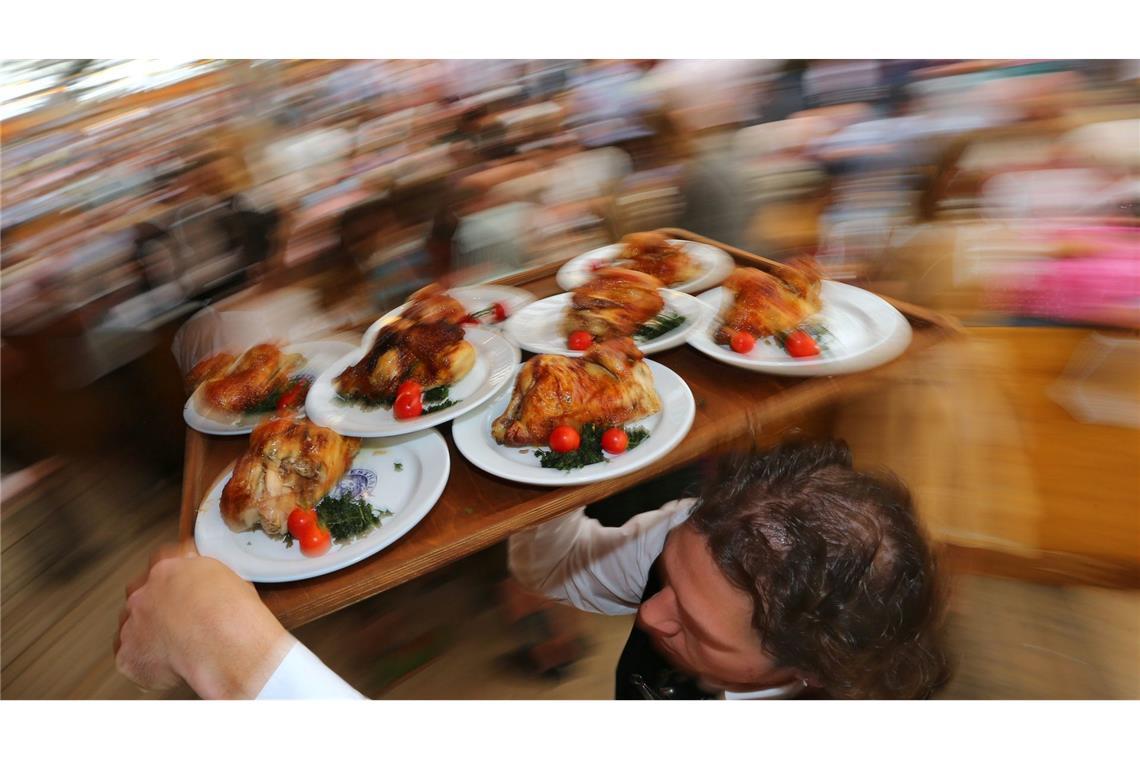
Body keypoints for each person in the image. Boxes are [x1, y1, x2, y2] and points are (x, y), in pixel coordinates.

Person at [114, 441, 949, 699]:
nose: (655, 617)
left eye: (694, 629)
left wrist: (235, 654)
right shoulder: (706, 544)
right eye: (670, 580)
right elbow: (556, 572)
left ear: (806, 675)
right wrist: (548, 470)